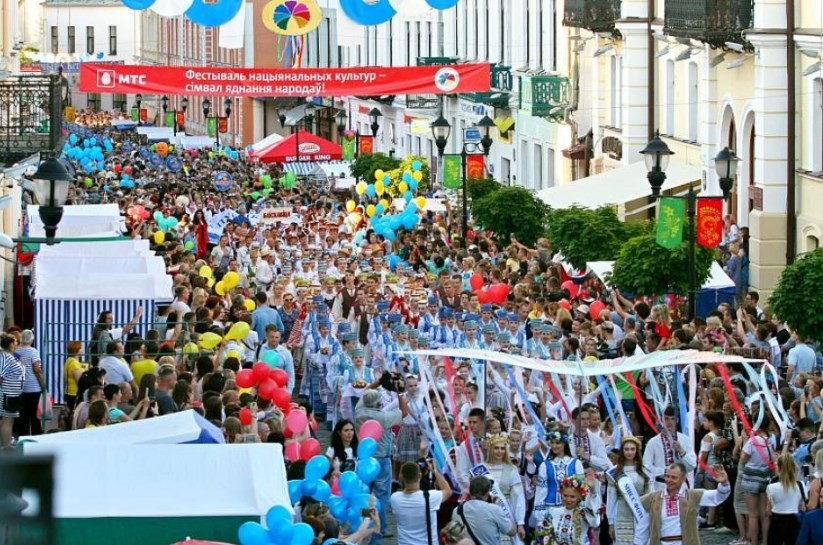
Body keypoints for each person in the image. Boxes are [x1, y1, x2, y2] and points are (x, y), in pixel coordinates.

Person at [354, 388, 409, 545]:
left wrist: (377, 383)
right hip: (381, 461)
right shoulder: (383, 417)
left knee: (364, 496)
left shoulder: (358, 413)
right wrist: (400, 393)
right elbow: (404, 412)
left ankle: (363, 528)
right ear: (379, 403)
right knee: (382, 498)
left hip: (364, 460)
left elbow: (364, 395)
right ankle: (379, 531)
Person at [634, 462, 731, 545]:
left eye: (673, 477)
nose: (669, 480)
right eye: (667, 476)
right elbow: (642, 524)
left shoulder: (693, 496)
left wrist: (724, 483)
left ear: (683, 479)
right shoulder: (653, 498)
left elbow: (718, 496)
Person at [390, 461, 452, 545]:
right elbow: (448, 491)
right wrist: (434, 471)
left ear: (401, 477)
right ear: (420, 475)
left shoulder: (395, 498)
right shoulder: (430, 497)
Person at [606, 436, 652, 545]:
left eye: (632, 449)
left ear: (637, 451)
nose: (629, 452)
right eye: (626, 449)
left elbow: (650, 494)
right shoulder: (614, 472)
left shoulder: (645, 470)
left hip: (641, 511)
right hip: (621, 512)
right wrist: (611, 523)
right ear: (622, 451)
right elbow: (611, 498)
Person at [534, 473, 602, 545]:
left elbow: (595, 522)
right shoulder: (553, 511)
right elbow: (544, 535)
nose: (568, 499)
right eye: (565, 496)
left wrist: (593, 491)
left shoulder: (584, 513)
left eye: (572, 497)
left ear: (579, 498)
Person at [452, 475, 516, 545]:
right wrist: (498, 509)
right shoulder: (493, 509)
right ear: (487, 493)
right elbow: (512, 531)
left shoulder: (457, 510)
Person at [766, 453, 805, 545]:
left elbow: (768, 511)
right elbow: (802, 507)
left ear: (779, 468)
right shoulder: (801, 485)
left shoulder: (771, 487)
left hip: (777, 521)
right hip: (795, 521)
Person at [14, 330, 43, 437]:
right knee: (35, 415)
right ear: (32, 339)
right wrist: (43, 384)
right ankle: (36, 436)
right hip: (33, 387)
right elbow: (37, 369)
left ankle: (23, 436)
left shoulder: (16, 351)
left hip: (20, 387)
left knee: (22, 415)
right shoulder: (33, 351)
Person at [0, 334, 24, 449]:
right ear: (9, 344)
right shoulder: (6, 358)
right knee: (7, 420)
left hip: (12, 394)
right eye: (15, 342)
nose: (17, 344)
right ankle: (6, 446)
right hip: (8, 394)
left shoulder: (9, 356)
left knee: (9, 420)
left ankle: (7, 443)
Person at [63, 340, 88, 411]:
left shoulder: (69, 360)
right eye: (81, 348)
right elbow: (80, 381)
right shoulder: (74, 363)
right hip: (74, 394)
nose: (83, 350)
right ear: (77, 350)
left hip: (69, 392)